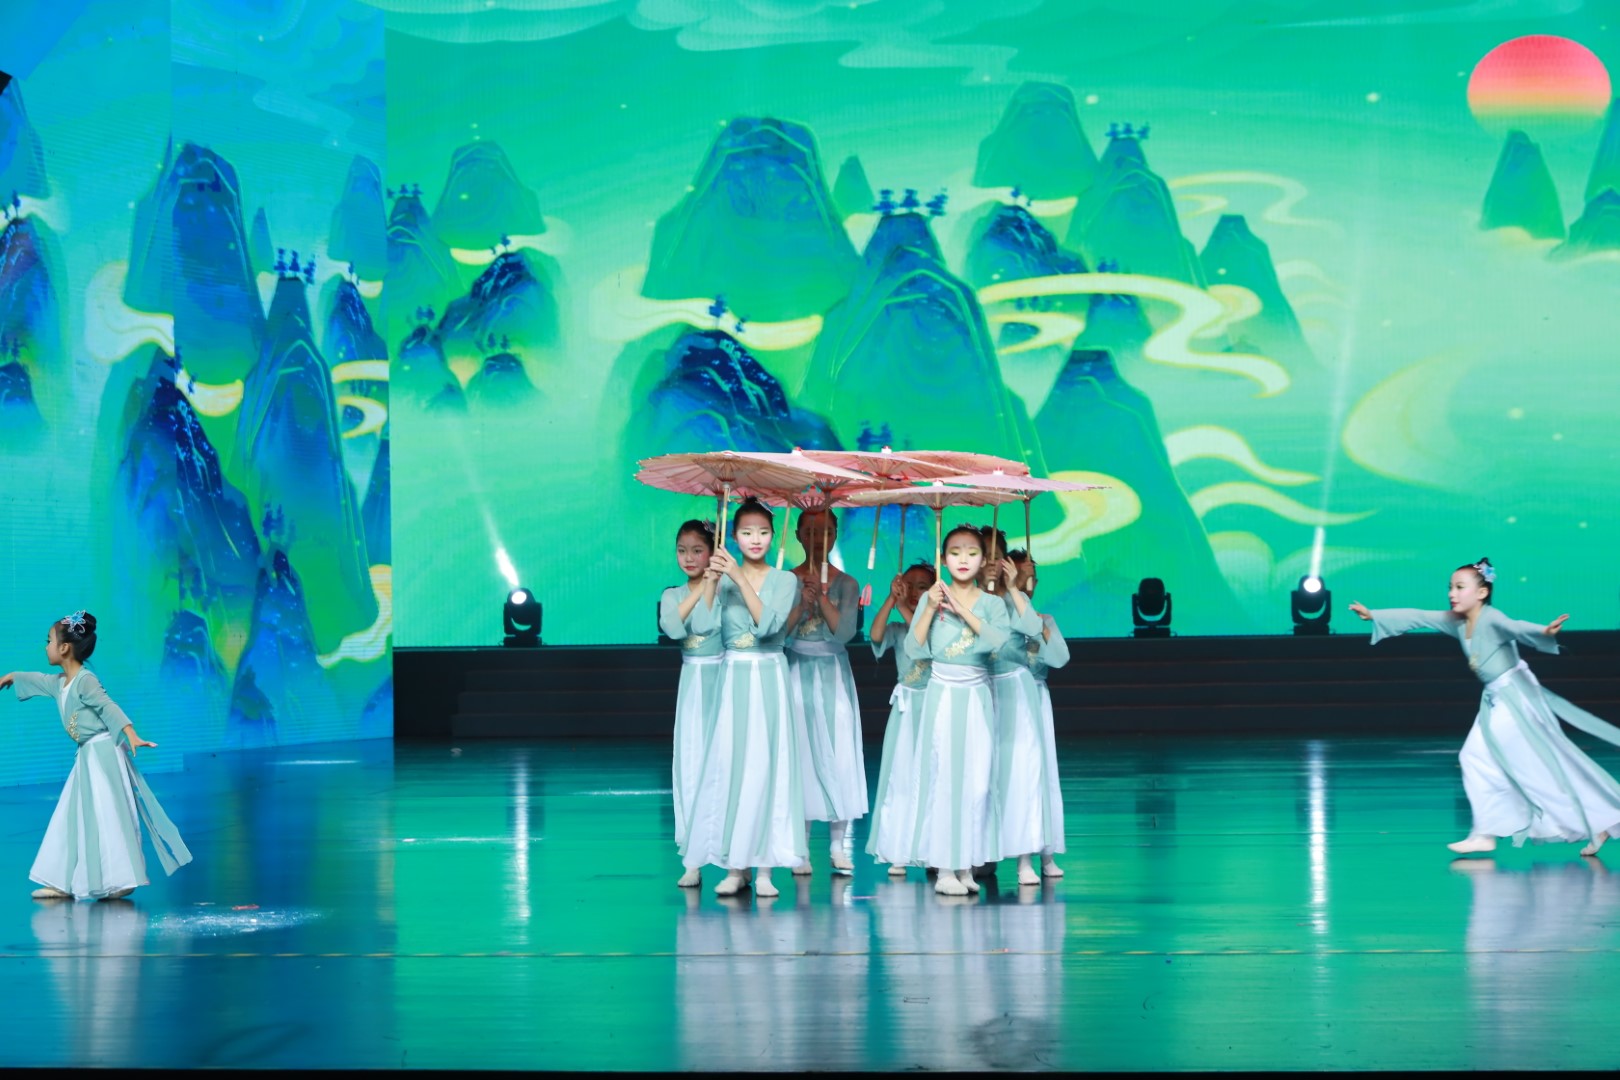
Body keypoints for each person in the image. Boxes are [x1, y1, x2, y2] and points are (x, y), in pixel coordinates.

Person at [1350, 557, 1620, 856]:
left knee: (1508, 763)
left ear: (1481, 593)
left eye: (1460, 587)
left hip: (1515, 695)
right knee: (1488, 760)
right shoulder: (1457, 621)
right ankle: (1596, 822)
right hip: (1495, 697)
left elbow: (1514, 627)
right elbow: (1419, 616)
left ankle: (1489, 832)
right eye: (1450, 587)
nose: (1452, 593)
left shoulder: (1492, 619)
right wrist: (1374, 615)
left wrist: (1544, 632)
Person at [2, 611, 191, 901]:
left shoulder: (85, 680)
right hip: (87, 756)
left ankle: (122, 878)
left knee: (108, 814)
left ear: (64, 648)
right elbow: (38, 680)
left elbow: (107, 706)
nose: (46, 646)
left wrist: (130, 733)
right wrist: (12, 677)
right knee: (70, 815)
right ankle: (62, 880)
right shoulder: (60, 683)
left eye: (49, 641)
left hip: (104, 755)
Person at [681, 501, 806, 896]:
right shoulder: (721, 579)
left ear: (773, 536)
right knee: (732, 766)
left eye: (763, 532)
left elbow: (769, 626)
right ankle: (736, 868)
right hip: (732, 675)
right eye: (747, 532)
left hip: (769, 675)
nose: (755, 539)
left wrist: (737, 575)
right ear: (733, 536)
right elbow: (702, 627)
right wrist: (712, 582)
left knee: (767, 767)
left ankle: (765, 869)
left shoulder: (785, 580)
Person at [907, 526, 1010, 895]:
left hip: (977, 695)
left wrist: (962, 610)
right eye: (955, 552)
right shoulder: (931, 598)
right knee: (946, 781)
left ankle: (966, 864)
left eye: (971, 552)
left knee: (978, 785)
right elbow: (913, 649)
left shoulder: (992, 604)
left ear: (983, 560)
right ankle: (945, 869)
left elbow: (997, 642)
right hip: (944, 694)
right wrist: (929, 607)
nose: (963, 559)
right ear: (943, 559)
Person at [784, 509, 866, 875]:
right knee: (800, 752)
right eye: (810, 532)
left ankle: (837, 845)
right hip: (796, 669)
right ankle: (800, 846)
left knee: (839, 751)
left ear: (834, 535)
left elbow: (844, 632)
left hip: (833, 671)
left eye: (826, 532)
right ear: (798, 536)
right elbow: (779, 633)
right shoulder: (786, 580)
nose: (818, 539)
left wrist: (822, 599)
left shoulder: (846, 583)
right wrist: (802, 602)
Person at [988, 549, 1070, 885]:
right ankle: (994, 851)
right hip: (1001, 695)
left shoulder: (1042, 619)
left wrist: (1038, 625)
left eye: (1033, 575)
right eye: (1023, 573)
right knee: (1003, 774)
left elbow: (1059, 658)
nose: (1029, 581)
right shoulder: (997, 613)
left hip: (1034, 699)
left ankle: (1043, 852)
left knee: (1038, 773)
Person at [658, 520, 724, 888]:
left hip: (724, 678)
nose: (689, 558)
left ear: (712, 552)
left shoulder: (728, 589)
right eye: (682, 551)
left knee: (724, 763)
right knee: (691, 763)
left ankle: (735, 859)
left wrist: (714, 583)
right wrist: (700, 589)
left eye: (698, 550)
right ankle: (693, 858)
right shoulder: (673, 594)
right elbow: (672, 628)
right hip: (692, 683)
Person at [865, 562, 936, 875]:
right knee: (901, 776)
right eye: (909, 586)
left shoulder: (940, 624)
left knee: (932, 777)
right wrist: (890, 600)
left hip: (934, 705)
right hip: (906, 710)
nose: (915, 592)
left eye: (923, 586)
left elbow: (923, 644)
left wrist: (907, 607)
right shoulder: (897, 627)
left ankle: (931, 848)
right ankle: (898, 849)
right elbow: (875, 634)